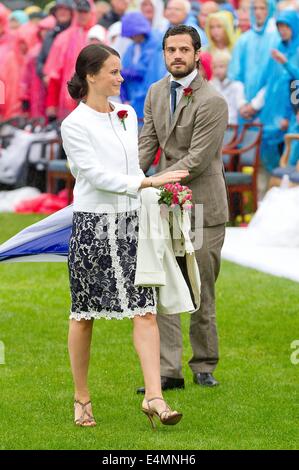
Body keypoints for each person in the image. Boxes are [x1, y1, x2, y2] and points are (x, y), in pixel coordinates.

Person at [60, 43, 188, 427]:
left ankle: (155, 398)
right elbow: (94, 176)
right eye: (113, 72)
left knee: (145, 310)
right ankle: (82, 399)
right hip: (92, 227)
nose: (121, 77)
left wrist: (156, 191)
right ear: (91, 76)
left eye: (120, 71)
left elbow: (130, 164)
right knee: (84, 316)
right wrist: (149, 182)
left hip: (132, 222)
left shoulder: (127, 113)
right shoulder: (73, 124)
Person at [137, 25, 229, 392]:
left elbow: (197, 160)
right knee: (166, 287)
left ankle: (204, 364)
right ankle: (168, 371)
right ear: (164, 54)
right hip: (164, 204)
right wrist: (127, 180)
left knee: (200, 287)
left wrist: (150, 184)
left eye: (183, 50)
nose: (176, 55)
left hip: (204, 205)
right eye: (170, 49)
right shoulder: (156, 92)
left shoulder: (213, 101)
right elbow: (147, 144)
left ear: (197, 53)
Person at [228, 0, 279, 123]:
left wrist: (255, 105)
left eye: (262, 8)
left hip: (270, 108)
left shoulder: (277, 40)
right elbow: (235, 75)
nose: (258, 12)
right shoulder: (244, 40)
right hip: (244, 110)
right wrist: (242, 104)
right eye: (255, 8)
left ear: (270, 10)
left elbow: (275, 77)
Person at [211, 49, 245, 124]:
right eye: (215, 67)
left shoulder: (237, 85)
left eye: (221, 66)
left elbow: (241, 104)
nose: (217, 70)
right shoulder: (211, 85)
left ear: (230, 66)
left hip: (232, 127)